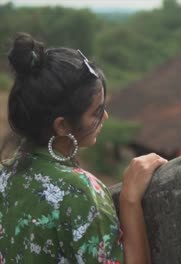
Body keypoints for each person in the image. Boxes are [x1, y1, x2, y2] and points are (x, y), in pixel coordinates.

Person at [0, 33, 167, 263]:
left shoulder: (4, 175)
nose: (105, 116)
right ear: (62, 126)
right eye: (96, 112)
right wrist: (130, 199)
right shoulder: (79, 191)